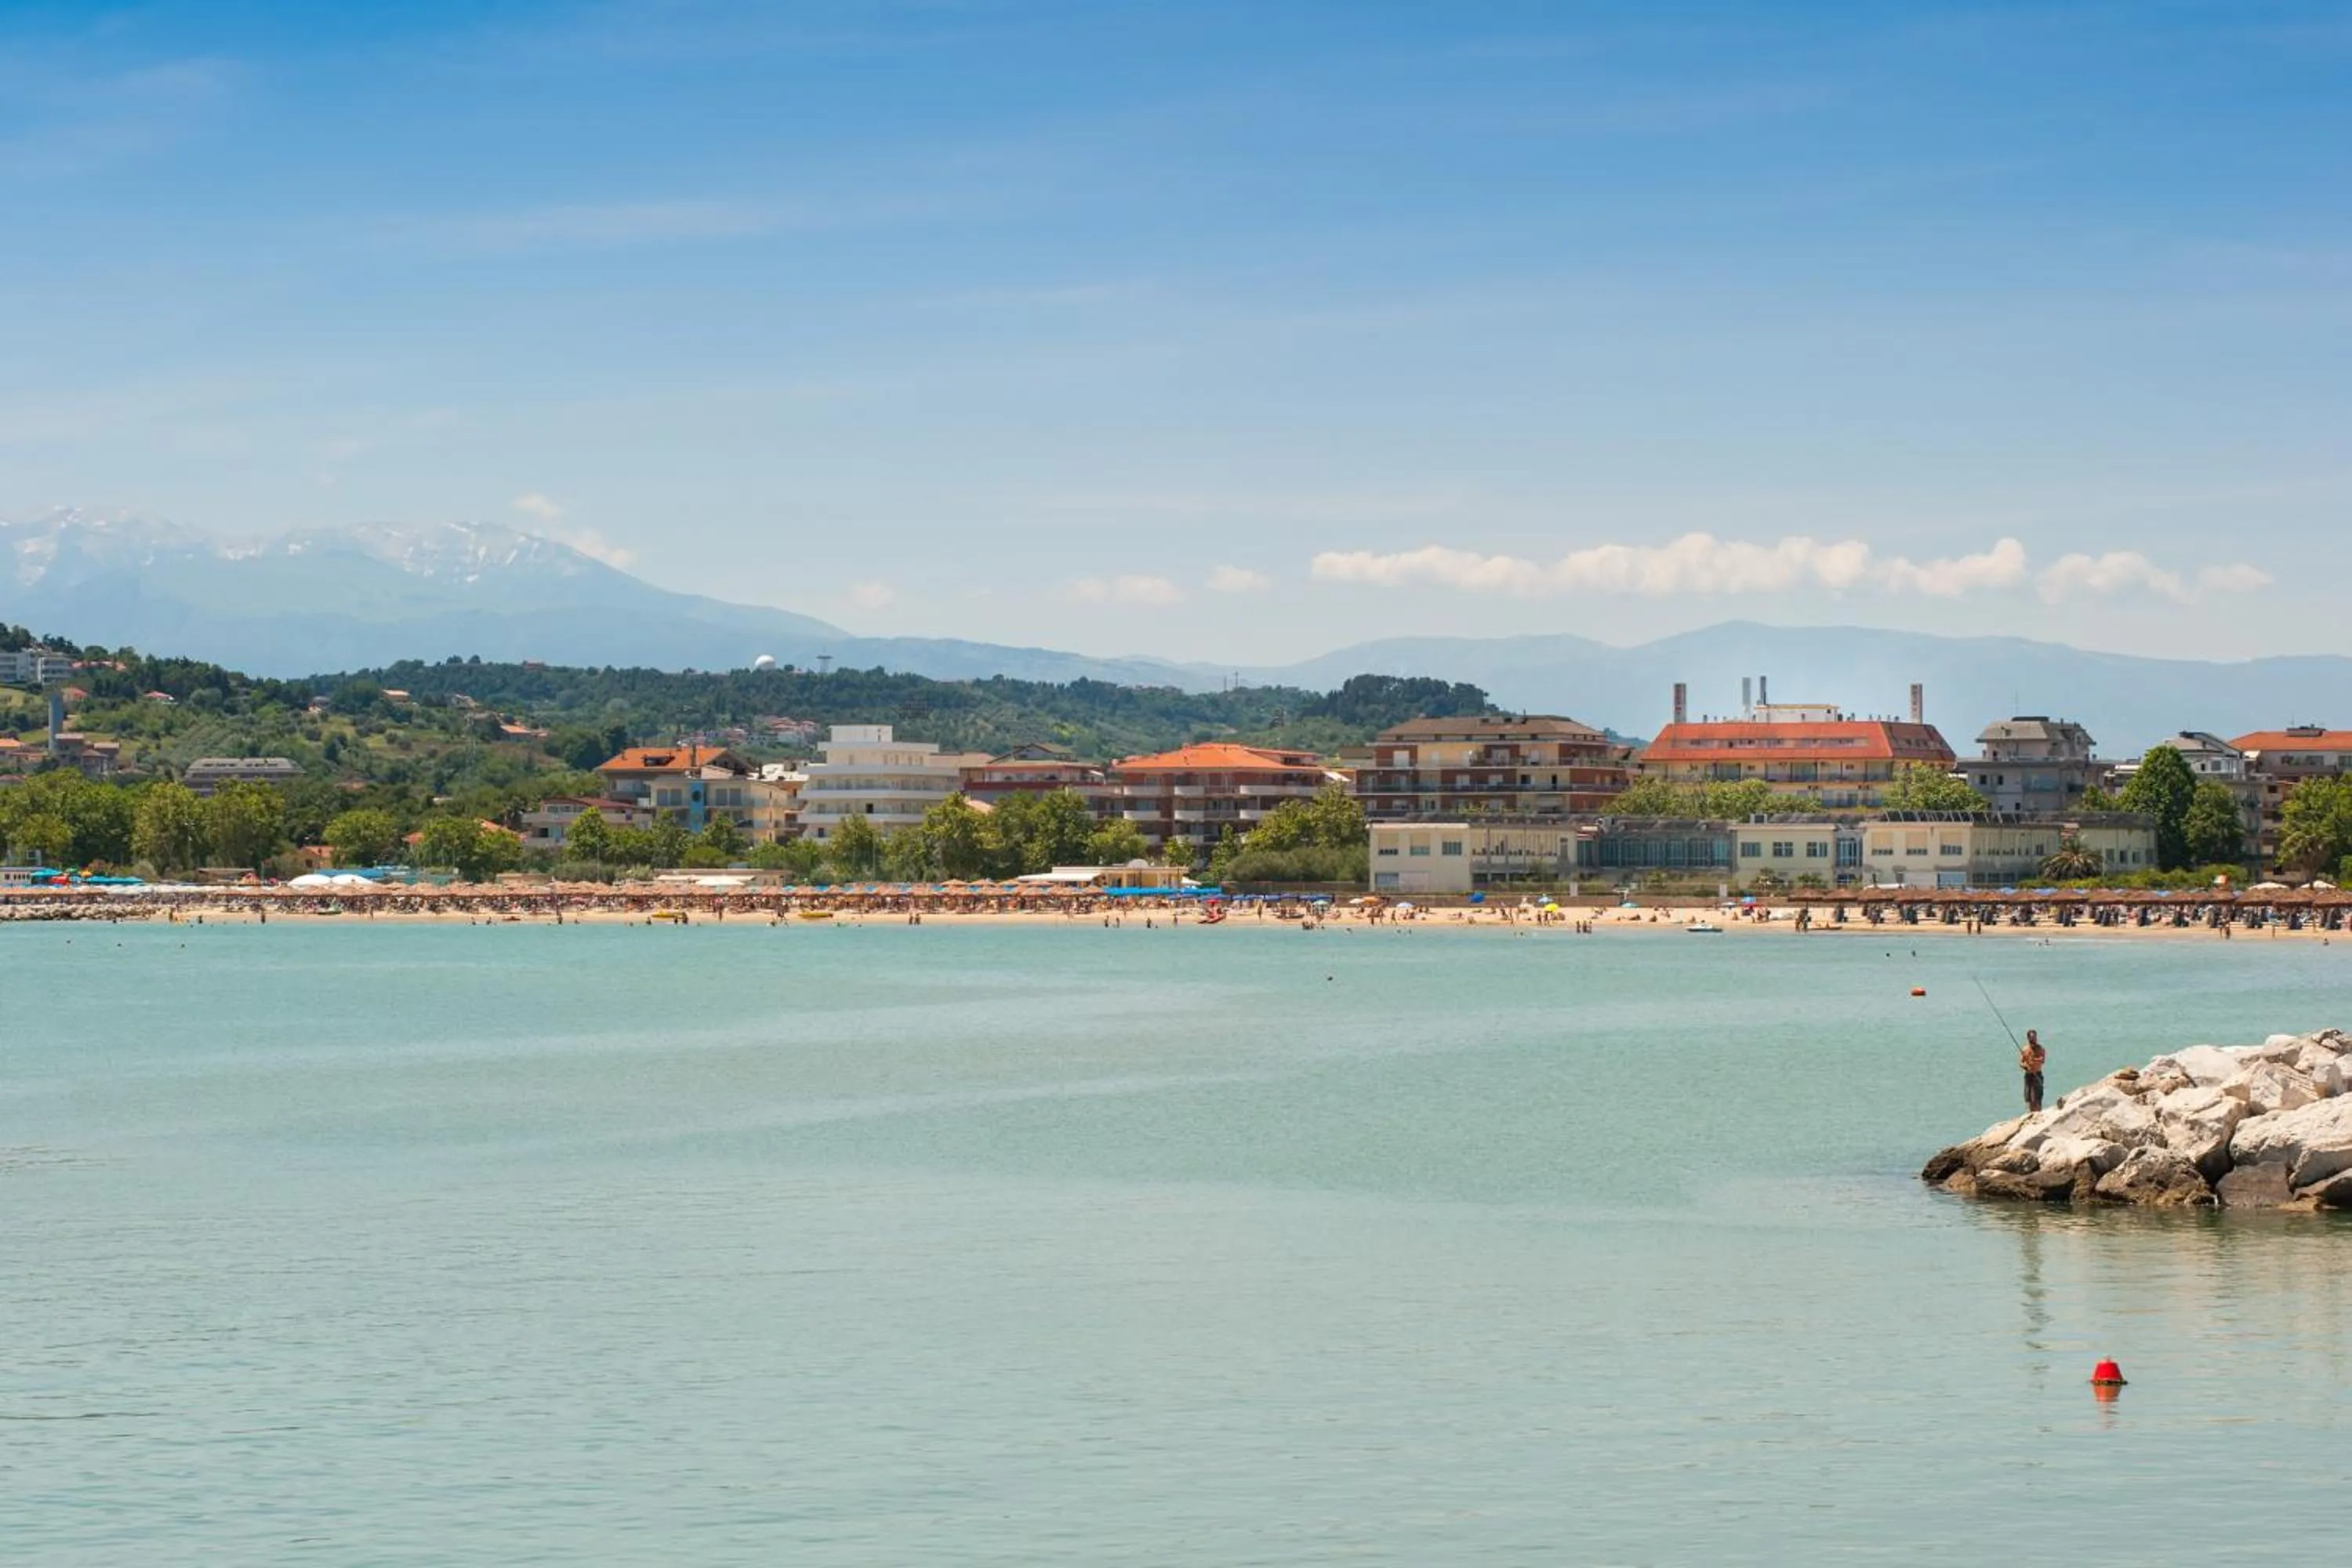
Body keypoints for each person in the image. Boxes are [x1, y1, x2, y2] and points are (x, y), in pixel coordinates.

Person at [2020, 1029, 2047, 1114]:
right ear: (2028, 1039)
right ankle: (2031, 1113)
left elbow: (2042, 1060)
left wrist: (2033, 1061)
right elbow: (2021, 1062)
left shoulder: (2041, 1049)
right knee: (2029, 1097)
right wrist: (2025, 1066)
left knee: (2037, 1097)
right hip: (2029, 1075)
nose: (2033, 1040)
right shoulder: (2025, 1050)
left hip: (2037, 1074)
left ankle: (2038, 1113)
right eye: (2031, 1038)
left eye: (2035, 1038)